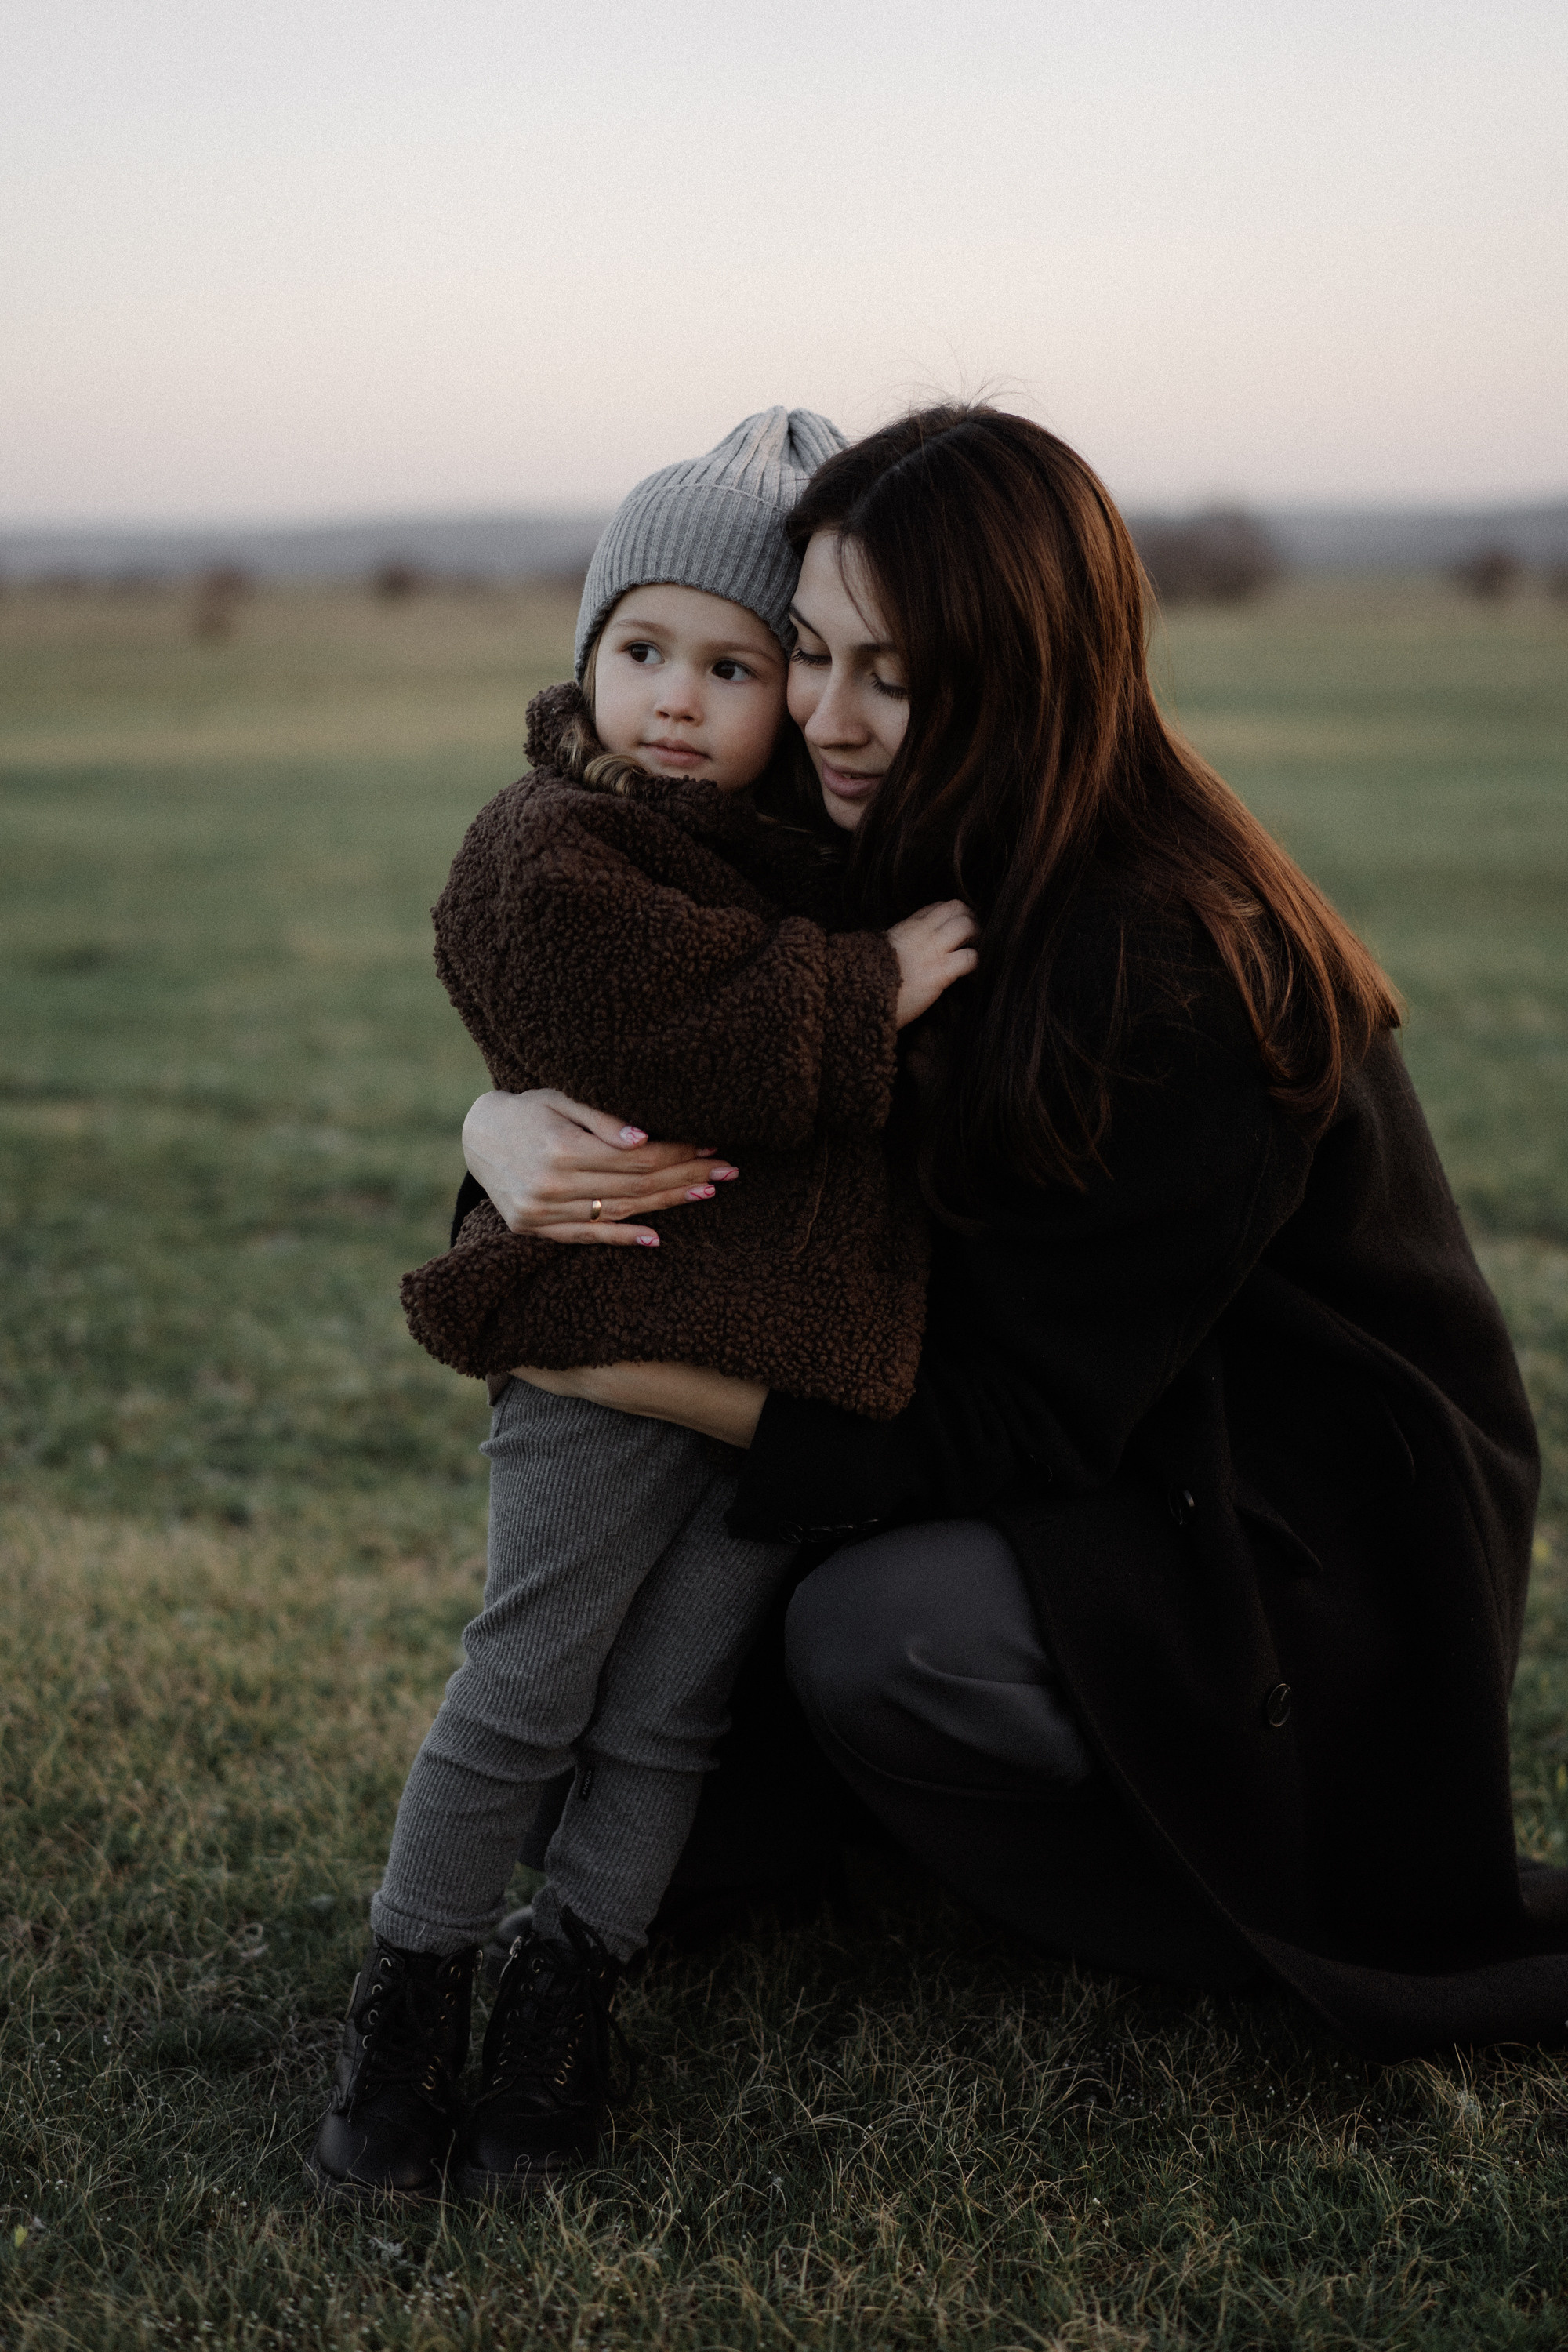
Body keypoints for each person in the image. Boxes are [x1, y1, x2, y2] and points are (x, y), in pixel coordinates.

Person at [463, 404, 1566, 2063]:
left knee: (876, 1638)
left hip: (1277, 1537)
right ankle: (884, 1816)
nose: (829, 720)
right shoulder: (895, 855)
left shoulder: (1168, 961)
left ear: (1027, 672)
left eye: (892, 676)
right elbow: (722, 1094)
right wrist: (494, 1140)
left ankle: (1190, 1884)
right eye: (809, 655)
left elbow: (1013, 1423)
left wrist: (619, 1364)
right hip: (1063, 1453)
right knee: (583, 1774)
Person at [307, 408, 978, 2207]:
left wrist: (856, 959)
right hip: (602, 1355)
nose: (676, 696)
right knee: (527, 1686)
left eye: (734, 661)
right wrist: (861, 1000)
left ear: (799, 688)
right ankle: (414, 1989)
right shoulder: (558, 840)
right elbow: (641, 1029)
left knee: (669, 1708)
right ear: (586, 659)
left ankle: (565, 1989)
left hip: (781, 1376)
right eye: (640, 648)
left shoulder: (819, 867)